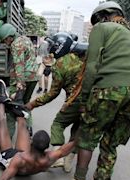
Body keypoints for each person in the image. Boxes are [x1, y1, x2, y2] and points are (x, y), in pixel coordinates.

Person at [65, 1, 130, 180]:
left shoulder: (102, 28)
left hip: (109, 89)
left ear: (103, 16)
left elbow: (92, 67)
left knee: (88, 137)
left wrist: (84, 100)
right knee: (111, 144)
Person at [26, 32, 87, 172]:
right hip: (90, 102)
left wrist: (33, 104)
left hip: (74, 101)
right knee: (77, 129)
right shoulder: (84, 58)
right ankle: (69, 161)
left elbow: (53, 93)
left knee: (58, 124)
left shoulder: (59, 65)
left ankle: (57, 158)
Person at [0, 23, 39, 138]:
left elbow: (19, 64)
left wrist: (20, 83)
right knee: (26, 104)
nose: (6, 43)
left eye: (5, 40)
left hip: (22, 78)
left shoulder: (16, 44)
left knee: (11, 109)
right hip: (33, 77)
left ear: (9, 36)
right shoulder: (26, 39)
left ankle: (8, 140)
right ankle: (28, 130)